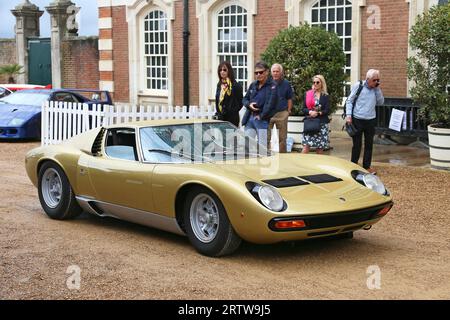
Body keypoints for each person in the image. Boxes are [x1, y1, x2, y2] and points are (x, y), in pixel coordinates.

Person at [345, 69, 384, 174]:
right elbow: (349, 100)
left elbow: (381, 102)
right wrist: (349, 116)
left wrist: (378, 89)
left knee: (369, 144)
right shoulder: (359, 86)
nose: (376, 82)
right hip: (357, 119)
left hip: (370, 120)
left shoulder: (376, 89)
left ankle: (367, 166)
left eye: (378, 80)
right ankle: (353, 166)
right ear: (368, 79)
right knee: (357, 144)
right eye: (374, 80)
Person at [242, 61, 277, 149]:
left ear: (267, 72)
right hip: (250, 118)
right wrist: (249, 105)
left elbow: (271, 104)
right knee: (247, 146)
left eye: (260, 72)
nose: (258, 74)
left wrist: (261, 116)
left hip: (262, 120)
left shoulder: (272, 86)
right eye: (256, 73)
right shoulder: (253, 85)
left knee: (262, 148)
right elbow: (244, 99)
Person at [268, 63, 293, 153]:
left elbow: (289, 98)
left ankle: (283, 157)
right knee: (266, 138)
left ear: (281, 72)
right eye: (273, 71)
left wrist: (288, 111)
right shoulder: (267, 83)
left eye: (277, 71)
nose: (275, 73)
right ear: (271, 73)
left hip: (282, 113)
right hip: (268, 114)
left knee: (282, 138)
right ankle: (264, 157)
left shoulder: (286, 84)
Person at [301, 75, 330, 154]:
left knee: (320, 148)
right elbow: (303, 108)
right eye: (314, 82)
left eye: (317, 82)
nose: (315, 84)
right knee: (306, 146)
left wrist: (318, 113)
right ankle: (300, 165)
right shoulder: (308, 94)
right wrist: (310, 112)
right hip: (310, 123)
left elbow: (327, 110)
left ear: (322, 83)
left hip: (322, 124)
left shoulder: (325, 95)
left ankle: (318, 166)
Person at [214, 61, 243, 127]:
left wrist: (233, 110)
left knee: (231, 137)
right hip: (221, 117)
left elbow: (240, 102)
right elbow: (217, 100)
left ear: (229, 71)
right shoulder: (219, 85)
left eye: (224, 70)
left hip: (232, 118)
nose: (222, 72)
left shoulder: (236, 85)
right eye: (220, 70)